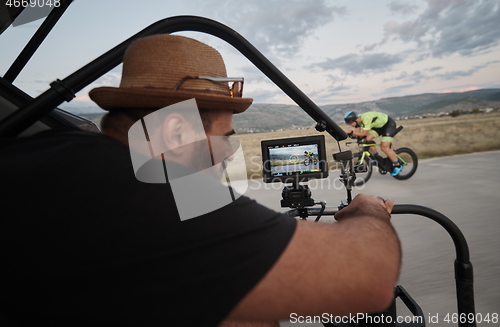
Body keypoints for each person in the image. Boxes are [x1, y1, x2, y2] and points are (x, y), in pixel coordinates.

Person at [0, 35, 401, 327]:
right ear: (175, 132)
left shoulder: (70, 159)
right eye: (224, 139)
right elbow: (369, 279)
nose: (230, 153)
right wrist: (368, 211)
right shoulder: (134, 187)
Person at [343, 111, 403, 176]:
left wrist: (350, 131)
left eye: (350, 122)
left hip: (388, 125)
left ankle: (398, 165)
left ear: (356, 119)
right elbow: (358, 133)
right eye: (347, 123)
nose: (349, 124)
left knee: (384, 147)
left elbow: (363, 133)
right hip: (378, 127)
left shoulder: (366, 118)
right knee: (366, 140)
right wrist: (350, 134)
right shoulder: (357, 121)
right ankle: (377, 159)